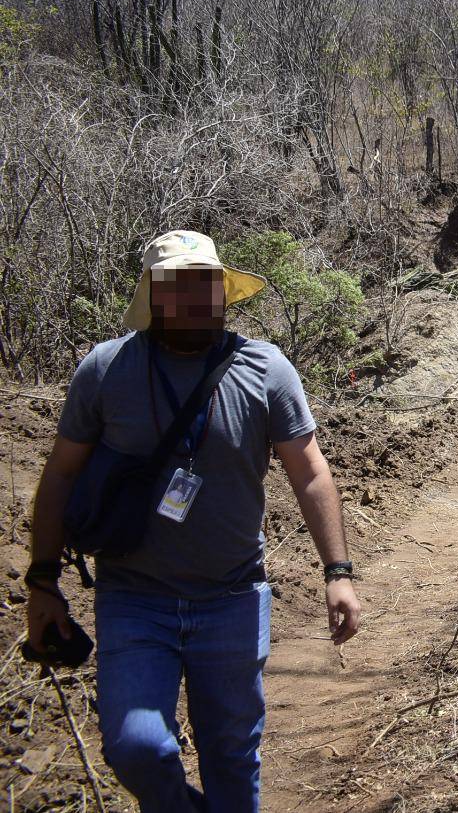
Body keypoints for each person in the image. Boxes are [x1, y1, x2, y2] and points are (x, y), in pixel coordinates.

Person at [24, 231, 363, 813]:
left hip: (232, 597)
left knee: (231, 756)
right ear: (153, 297)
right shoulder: (106, 370)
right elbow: (58, 477)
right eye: (176, 286)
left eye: (203, 284)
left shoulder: (265, 370)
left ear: (222, 291)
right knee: (137, 748)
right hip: (134, 599)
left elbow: (310, 473)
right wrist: (42, 580)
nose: (193, 299)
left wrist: (337, 570)